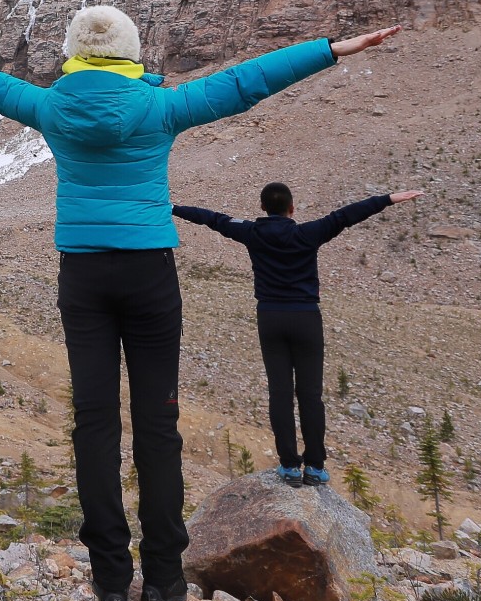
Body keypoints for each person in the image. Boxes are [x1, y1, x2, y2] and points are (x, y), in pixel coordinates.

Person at [0, 7, 400, 601]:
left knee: (94, 425)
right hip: (150, 274)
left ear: (74, 54)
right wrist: (332, 47)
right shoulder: (161, 108)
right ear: (130, 53)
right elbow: (247, 82)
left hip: (84, 277)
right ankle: (165, 579)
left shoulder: (50, 108)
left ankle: (111, 582)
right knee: (158, 425)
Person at [173, 182, 423, 487]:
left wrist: (173, 208)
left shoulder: (252, 232)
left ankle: (290, 466)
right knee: (310, 395)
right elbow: (346, 215)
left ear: (262, 208)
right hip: (305, 318)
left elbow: (211, 218)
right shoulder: (308, 233)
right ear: (292, 208)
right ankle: (315, 467)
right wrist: (389, 198)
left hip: (270, 318)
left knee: (280, 393)